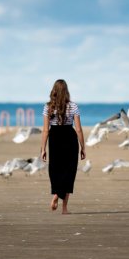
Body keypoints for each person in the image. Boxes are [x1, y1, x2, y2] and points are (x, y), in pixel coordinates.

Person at [40, 79, 86, 215]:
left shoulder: (48, 107)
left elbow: (45, 130)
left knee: (55, 169)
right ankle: (64, 209)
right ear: (66, 91)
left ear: (53, 91)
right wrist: (83, 147)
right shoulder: (73, 106)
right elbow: (78, 129)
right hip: (69, 138)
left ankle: (56, 194)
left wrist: (43, 149)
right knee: (69, 171)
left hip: (54, 138)